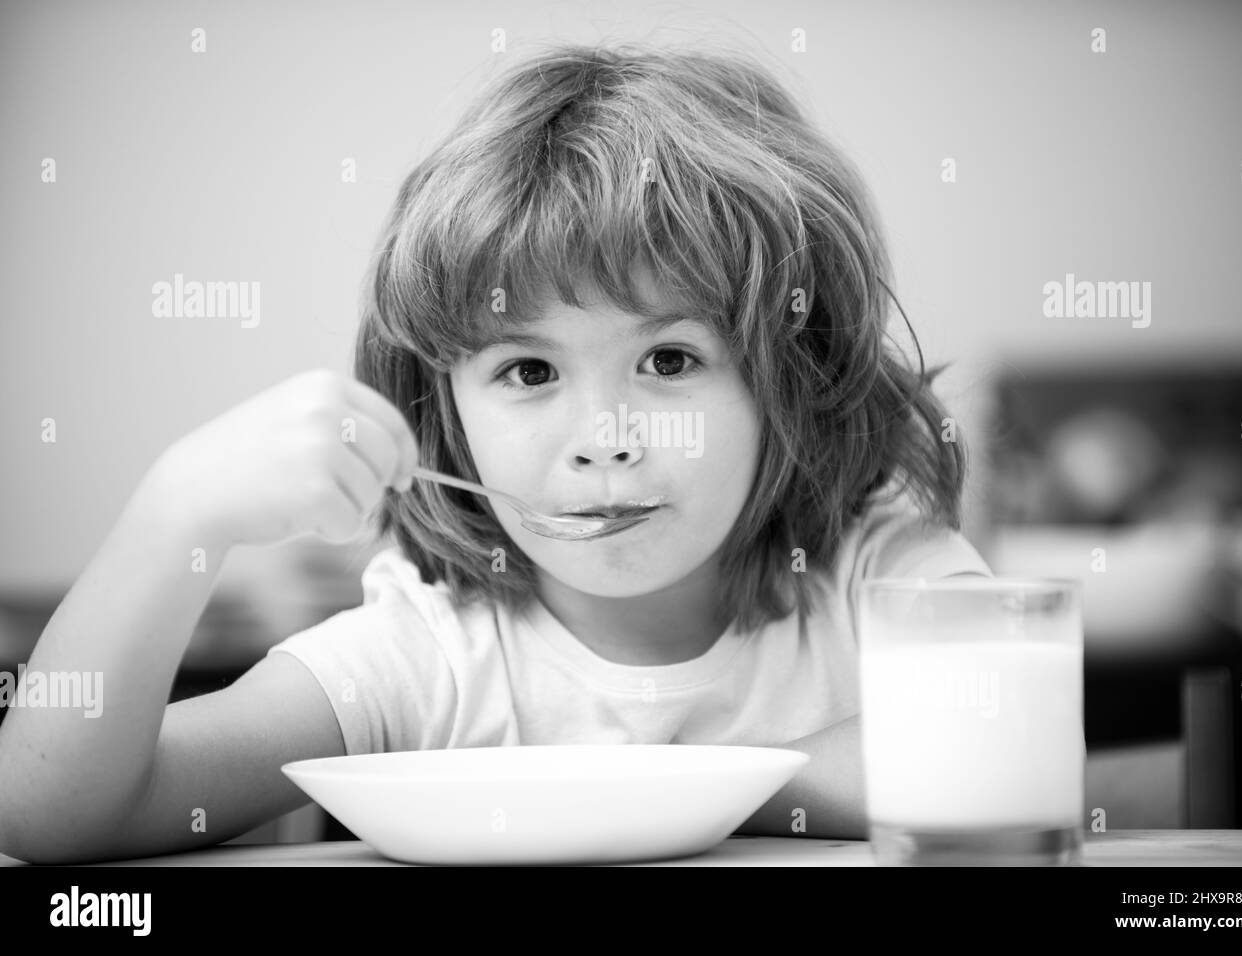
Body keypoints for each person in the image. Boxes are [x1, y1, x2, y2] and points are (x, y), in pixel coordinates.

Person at [0, 43, 988, 864]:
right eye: (527, 373)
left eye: (670, 357)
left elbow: (991, 743)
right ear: (444, 407)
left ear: (791, 374)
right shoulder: (428, 652)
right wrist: (176, 511)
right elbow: (53, 812)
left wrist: (678, 790)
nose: (604, 441)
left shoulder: (870, 560)